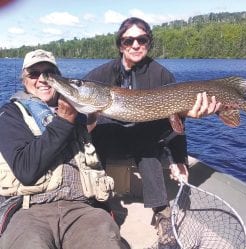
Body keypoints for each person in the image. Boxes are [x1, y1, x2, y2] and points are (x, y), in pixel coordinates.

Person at [84, 17, 221, 247]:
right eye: (129, 40)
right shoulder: (101, 76)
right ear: (120, 45)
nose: (136, 45)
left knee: (149, 150)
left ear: (149, 42)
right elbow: (78, 114)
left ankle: (162, 215)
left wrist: (179, 159)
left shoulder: (161, 75)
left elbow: (177, 123)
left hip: (143, 140)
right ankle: (97, 204)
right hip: (111, 139)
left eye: (142, 39)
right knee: (95, 140)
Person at [0, 49, 124, 249]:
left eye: (49, 72)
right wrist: (64, 121)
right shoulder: (11, 114)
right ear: (24, 80)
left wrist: (178, 113)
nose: (42, 79)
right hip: (31, 211)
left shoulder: (80, 114)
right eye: (33, 74)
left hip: (82, 209)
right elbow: (25, 170)